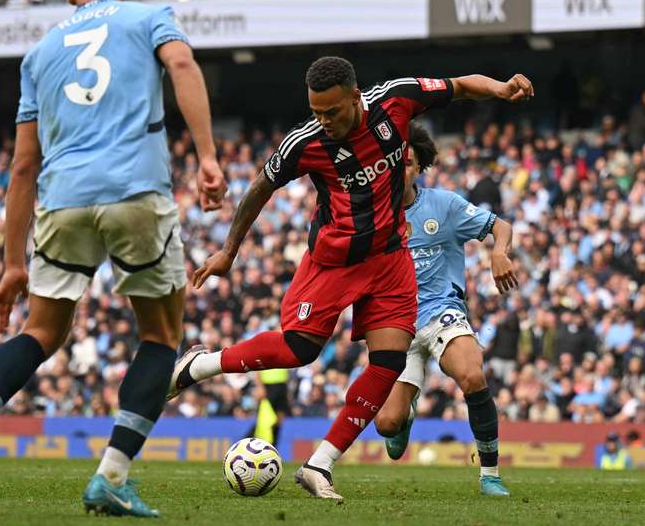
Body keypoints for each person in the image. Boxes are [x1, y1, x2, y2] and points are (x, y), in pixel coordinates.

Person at [0, 0, 226, 518]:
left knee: (41, 332)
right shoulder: (148, 17)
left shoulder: (39, 53)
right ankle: (111, 476)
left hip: (61, 201)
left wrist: (14, 264)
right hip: (135, 192)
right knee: (160, 337)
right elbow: (183, 65)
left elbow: (21, 167)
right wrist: (207, 158)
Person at [168, 56, 533, 500]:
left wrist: (499, 88)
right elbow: (260, 187)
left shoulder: (397, 99)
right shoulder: (305, 143)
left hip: (390, 257)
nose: (323, 121)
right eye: (316, 112)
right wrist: (229, 250)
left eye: (332, 112)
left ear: (355, 98)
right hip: (334, 261)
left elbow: (458, 85)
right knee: (299, 349)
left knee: (389, 362)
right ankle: (199, 366)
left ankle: (319, 465)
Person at [372, 124, 516, 496]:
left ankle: (490, 474)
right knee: (386, 424)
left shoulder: (445, 206)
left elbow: (500, 225)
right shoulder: (370, 216)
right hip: (396, 324)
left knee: (472, 376)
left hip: (442, 312)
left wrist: (498, 253)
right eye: (393, 163)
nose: (399, 170)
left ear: (419, 168)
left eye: (407, 164)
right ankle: (405, 416)